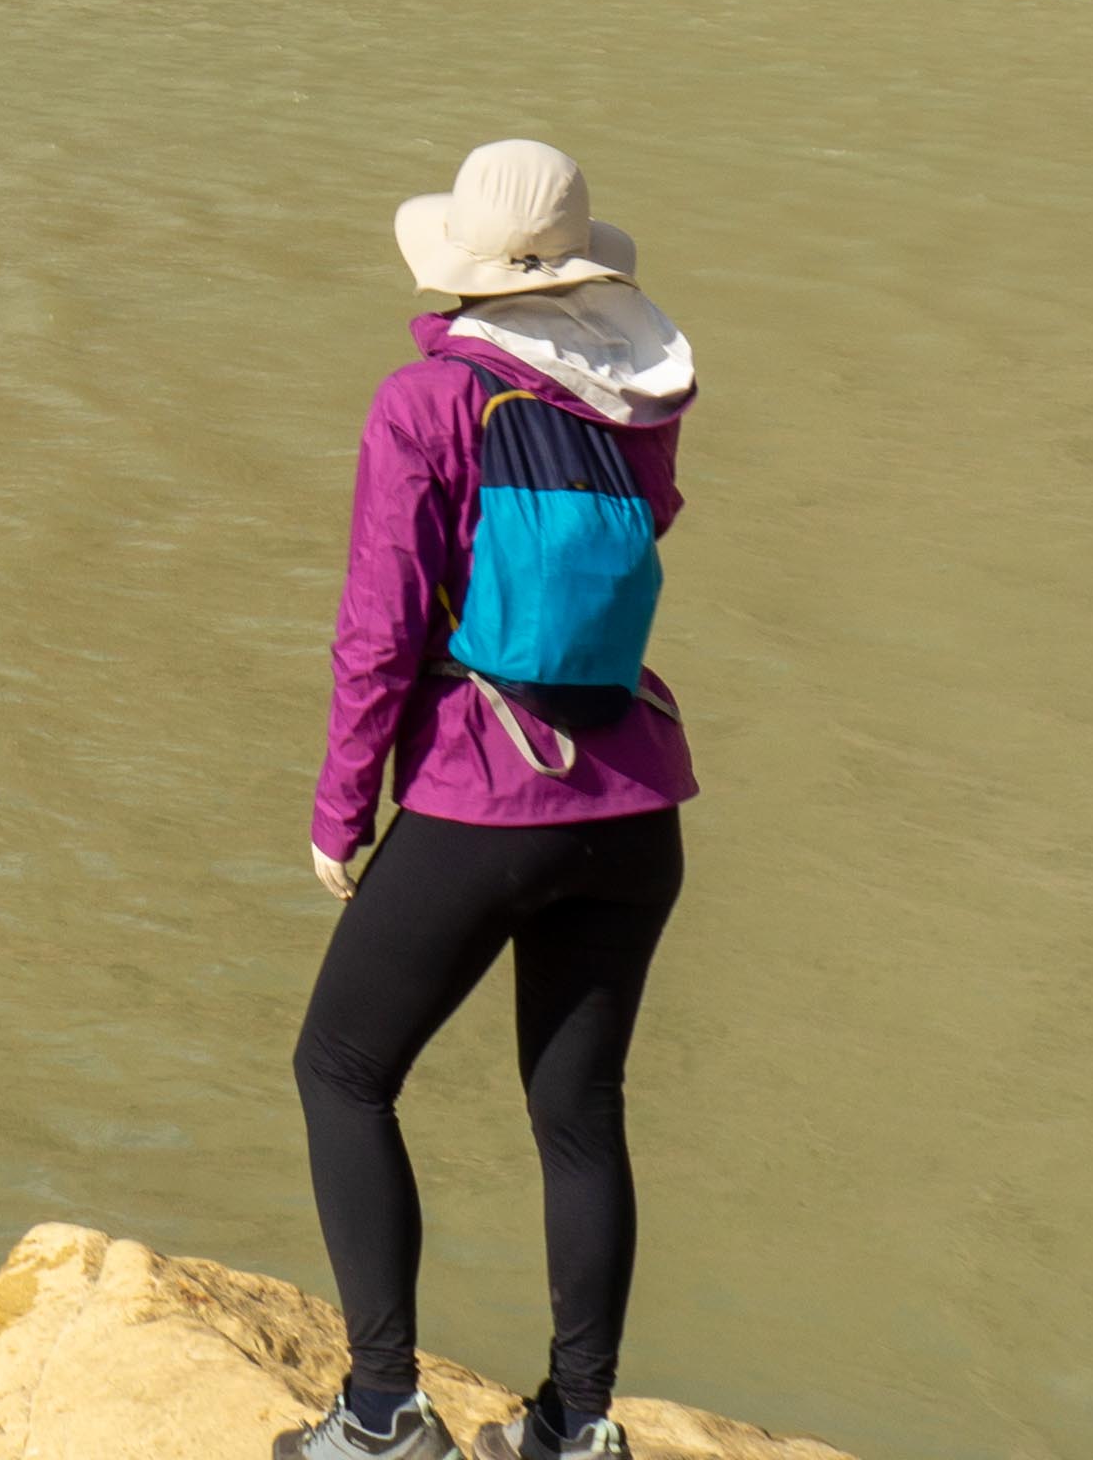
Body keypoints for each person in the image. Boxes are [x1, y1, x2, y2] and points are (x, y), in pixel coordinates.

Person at [272, 139, 701, 1460]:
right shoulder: (642, 397)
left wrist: (344, 810)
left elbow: (381, 632)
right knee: (579, 1116)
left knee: (340, 1071)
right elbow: (650, 530)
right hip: (635, 798)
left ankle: (384, 1413)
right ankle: (575, 1429)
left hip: (483, 796)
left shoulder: (426, 402)